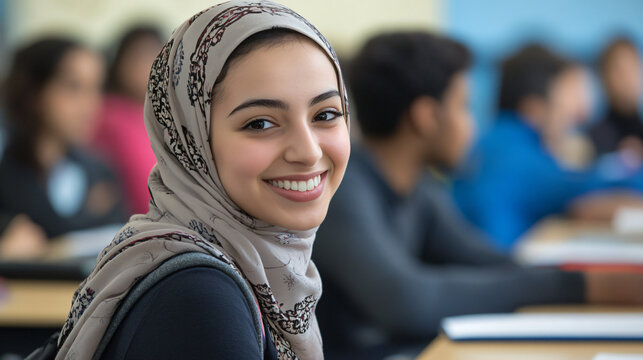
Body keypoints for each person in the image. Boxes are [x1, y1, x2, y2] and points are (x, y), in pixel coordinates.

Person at [313, 32, 643, 358]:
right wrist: (582, 287)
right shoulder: (343, 190)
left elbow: (488, 260)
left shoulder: (418, 187)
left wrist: (588, 280)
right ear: (426, 116)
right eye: (463, 106)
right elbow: (408, 301)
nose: (472, 125)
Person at [54, 2, 350, 359]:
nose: (307, 151)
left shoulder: (250, 269)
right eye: (260, 123)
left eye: (326, 114)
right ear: (190, 141)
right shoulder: (200, 298)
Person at [453, 44, 643, 251]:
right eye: (563, 104)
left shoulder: (489, 143)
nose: (575, 116)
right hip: (495, 274)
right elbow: (588, 188)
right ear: (534, 108)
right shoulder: (521, 158)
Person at [0, 38, 126, 259]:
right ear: (34, 92)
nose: (89, 104)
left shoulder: (99, 170)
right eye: (73, 87)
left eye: (96, 88)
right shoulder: (7, 172)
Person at [91, 25, 163, 215]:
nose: (150, 64)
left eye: (157, 54)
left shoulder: (160, 115)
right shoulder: (109, 115)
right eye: (140, 55)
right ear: (120, 62)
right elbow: (145, 192)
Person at [589, 37, 643, 158]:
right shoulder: (592, 141)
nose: (628, 79)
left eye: (633, 68)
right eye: (620, 71)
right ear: (604, 77)